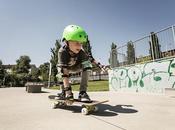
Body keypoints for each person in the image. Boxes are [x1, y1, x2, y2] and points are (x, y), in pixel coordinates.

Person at [57, 25, 104, 102]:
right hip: (65, 68)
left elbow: (90, 59)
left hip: (76, 67)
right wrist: (68, 91)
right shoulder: (62, 52)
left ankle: (82, 93)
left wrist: (100, 65)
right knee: (60, 71)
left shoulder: (81, 52)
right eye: (76, 42)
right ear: (66, 42)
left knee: (88, 65)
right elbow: (64, 73)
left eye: (81, 43)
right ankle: (63, 92)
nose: (79, 45)